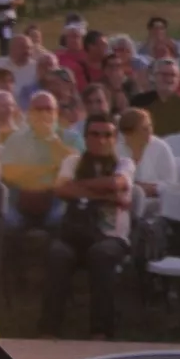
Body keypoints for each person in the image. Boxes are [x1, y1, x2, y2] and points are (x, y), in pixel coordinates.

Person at [39, 114, 134, 339]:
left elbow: (115, 182)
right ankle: (48, 331)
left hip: (111, 235)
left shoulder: (124, 163)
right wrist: (106, 197)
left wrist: (78, 187)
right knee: (57, 254)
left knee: (101, 255)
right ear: (86, 137)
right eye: (95, 134)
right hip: (75, 234)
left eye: (107, 135)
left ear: (115, 138)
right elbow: (61, 190)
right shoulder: (73, 162)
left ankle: (101, 331)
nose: (101, 140)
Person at [0, 91, 79, 229]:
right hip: (22, 194)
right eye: (38, 109)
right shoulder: (16, 139)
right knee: (10, 222)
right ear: (30, 113)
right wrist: (50, 169)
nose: (43, 114)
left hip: (58, 195)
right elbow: (9, 174)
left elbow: (77, 167)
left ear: (57, 113)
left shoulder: (72, 138)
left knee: (56, 220)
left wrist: (52, 140)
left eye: (48, 109)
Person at [116, 107, 180, 203]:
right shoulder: (117, 148)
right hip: (124, 200)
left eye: (150, 126)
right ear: (129, 133)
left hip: (157, 201)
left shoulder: (161, 147)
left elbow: (171, 184)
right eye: (144, 129)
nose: (150, 132)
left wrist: (149, 189)